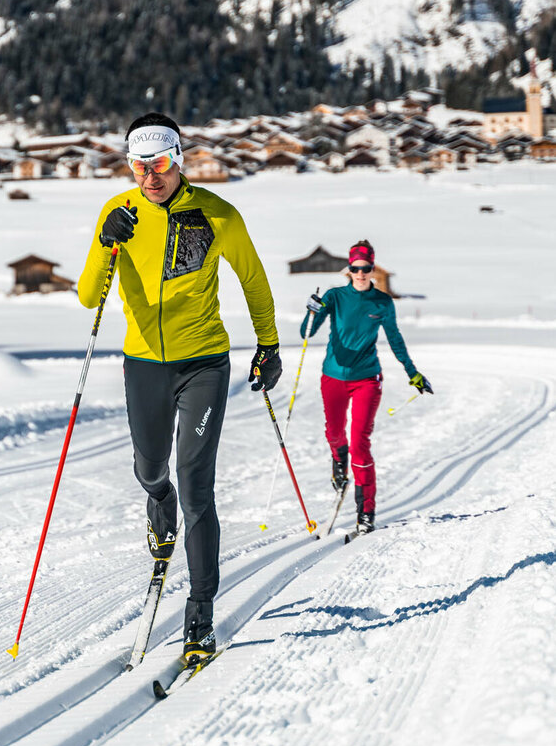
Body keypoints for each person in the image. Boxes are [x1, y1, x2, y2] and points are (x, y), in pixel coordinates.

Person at [78, 112, 281, 663]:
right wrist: (104, 242)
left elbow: (254, 278)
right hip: (143, 363)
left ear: (179, 159)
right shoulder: (117, 212)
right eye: (139, 165)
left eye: (160, 163)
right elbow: (87, 295)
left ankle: (200, 613)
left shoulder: (217, 215)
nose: (150, 176)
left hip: (203, 365)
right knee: (150, 471)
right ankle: (156, 505)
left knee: (196, 484)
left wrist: (269, 345)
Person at [302, 239, 432, 535]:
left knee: (360, 443)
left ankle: (366, 512)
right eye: (356, 268)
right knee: (335, 434)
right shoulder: (335, 297)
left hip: (367, 380)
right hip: (333, 377)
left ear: (373, 269)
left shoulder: (382, 302)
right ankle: (338, 460)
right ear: (348, 269)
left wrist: (413, 373)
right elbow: (306, 332)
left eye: (366, 268)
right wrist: (313, 310)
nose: (361, 273)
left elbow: (395, 340)